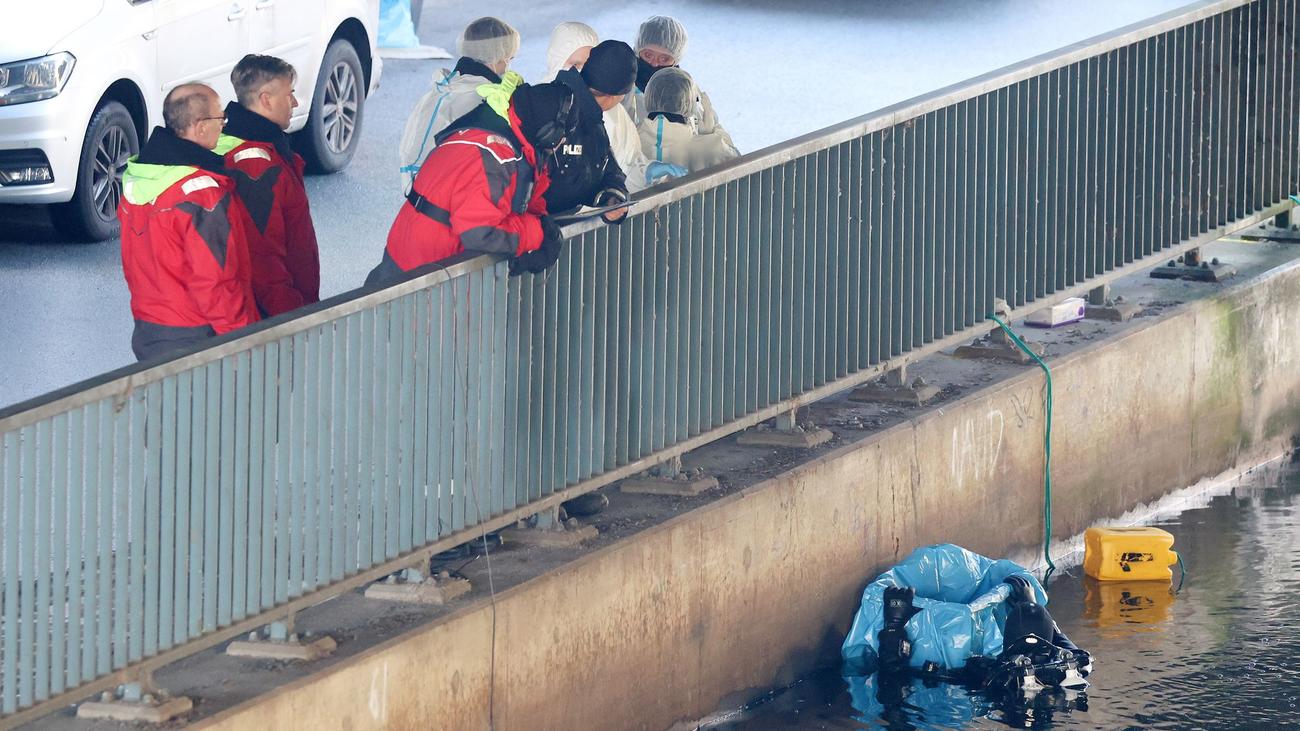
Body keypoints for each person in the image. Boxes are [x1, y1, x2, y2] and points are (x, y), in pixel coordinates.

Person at [367, 82, 576, 285]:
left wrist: (540, 222)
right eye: (562, 136)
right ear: (548, 132)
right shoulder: (495, 157)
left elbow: (524, 197)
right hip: (424, 277)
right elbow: (481, 232)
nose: (562, 143)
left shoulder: (504, 134)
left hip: (414, 261)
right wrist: (536, 233)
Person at [118, 83, 260, 361]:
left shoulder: (142, 179)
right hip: (198, 337)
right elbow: (216, 283)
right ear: (199, 127)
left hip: (149, 330)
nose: (224, 126)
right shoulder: (202, 194)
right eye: (220, 119)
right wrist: (245, 342)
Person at [218, 54, 320, 317]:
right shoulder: (255, 166)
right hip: (276, 318)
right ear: (266, 99)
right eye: (290, 94)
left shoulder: (259, 146)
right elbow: (264, 262)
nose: (296, 102)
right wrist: (295, 318)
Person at [397, 17, 520, 190]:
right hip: (445, 194)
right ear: (499, 57)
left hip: (413, 186)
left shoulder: (439, 90)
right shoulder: (483, 98)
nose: (508, 66)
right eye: (509, 58)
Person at [543, 39, 637, 221]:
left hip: (547, 237)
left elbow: (609, 172)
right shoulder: (563, 114)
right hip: (536, 240)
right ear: (615, 95)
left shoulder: (590, 118)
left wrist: (611, 199)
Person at [624, 15, 725, 141]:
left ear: (676, 59)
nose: (654, 63)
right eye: (648, 55)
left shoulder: (686, 90)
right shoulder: (622, 90)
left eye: (664, 58)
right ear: (637, 50)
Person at [638, 68, 738, 178]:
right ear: (690, 103)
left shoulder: (630, 139)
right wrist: (714, 129)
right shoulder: (711, 148)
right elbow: (739, 168)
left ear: (648, 96)